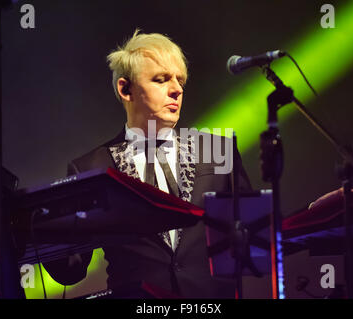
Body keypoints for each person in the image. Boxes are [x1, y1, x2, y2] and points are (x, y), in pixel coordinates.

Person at [43, 30, 253, 299]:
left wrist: (313, 216)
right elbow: (71, 270)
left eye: (180, 80)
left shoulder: (218, 150)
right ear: (125, 89)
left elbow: (254, 240)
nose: (176, 89)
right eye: (161, 79)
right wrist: (34, 231)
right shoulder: (90, 168)